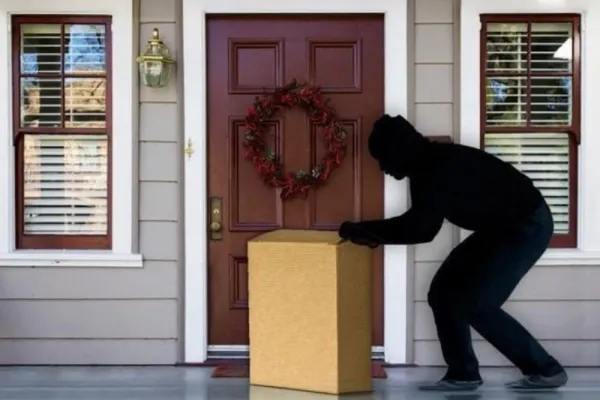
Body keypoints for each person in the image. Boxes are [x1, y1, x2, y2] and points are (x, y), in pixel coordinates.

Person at [337, 114, 568, 392]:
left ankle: (546, 370)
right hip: (498, 228)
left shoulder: (437, 169)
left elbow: (421, 229)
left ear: (399, 152)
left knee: (477, 303)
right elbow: (418, 224)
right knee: (443, 293)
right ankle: (463, 374)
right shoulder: (424, 167)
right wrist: (367, 232)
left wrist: (364, 230)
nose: (383, 168)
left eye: (384, 159)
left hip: (527, 224)